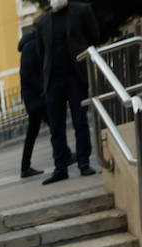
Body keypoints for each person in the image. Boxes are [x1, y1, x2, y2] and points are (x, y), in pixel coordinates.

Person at [35, 0, 101, 185]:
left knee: (80, 122)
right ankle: (60, 167)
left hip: (75, 77)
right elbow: (42, 52)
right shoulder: (42, 22)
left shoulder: (81, 11)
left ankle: (84, 163)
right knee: (56, 127)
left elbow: (94, 37)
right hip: (54, 80)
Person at [18, 29, 47, 179]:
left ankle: (25, 167)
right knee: (55, 125)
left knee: (32, 133)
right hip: (36, 99)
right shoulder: (31, 47)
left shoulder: (28, 47)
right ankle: (65, 154)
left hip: (32, 98)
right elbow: (30, 74)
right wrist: (43, 88)